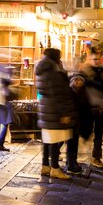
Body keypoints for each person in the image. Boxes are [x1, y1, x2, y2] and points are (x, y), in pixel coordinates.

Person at [35, 47, 75, 179]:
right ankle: (55, 168)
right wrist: (64, 113)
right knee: (54, 139)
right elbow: (58, 93)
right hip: (55, 109)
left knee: (47, 140)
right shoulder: (53, 71)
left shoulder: (43, 69)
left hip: (46, 108)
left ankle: (45, 165)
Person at [79, 45, 103, 170]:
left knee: (99, 133)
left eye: (99, 59)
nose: (98, 62)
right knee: (85, 130)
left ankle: (96, 157)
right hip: (88, 107)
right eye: (95, 59)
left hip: (102, 107)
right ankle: (75, 151)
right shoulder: (84, 72)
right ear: (89, 59)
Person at [66, 73, 92, 175]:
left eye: (79, 80)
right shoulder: (69, 92)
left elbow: (86, 109)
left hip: (77, 122)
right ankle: (70, 164)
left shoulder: (84, 93)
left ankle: (72, 161)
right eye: (75, 80)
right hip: (70, 121)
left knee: (74, 142)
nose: (77, 82)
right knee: (70, 142)